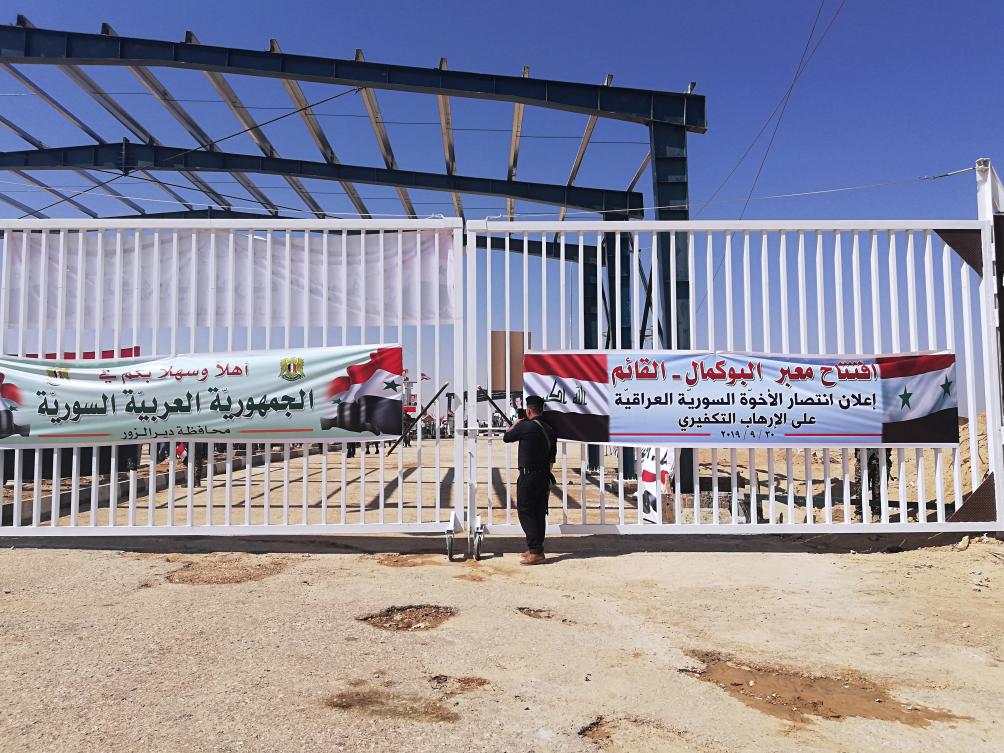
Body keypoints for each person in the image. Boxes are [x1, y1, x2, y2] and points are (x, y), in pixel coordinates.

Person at [502, 394, 556, 565]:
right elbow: (551, 459)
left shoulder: (525, 427)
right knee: (539, 512)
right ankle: (536, 548)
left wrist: (518, 421)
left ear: (528, 410)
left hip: (528, 475)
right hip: (543, 475)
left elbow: (507, 436)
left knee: (525, 511)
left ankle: (536, 551)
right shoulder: (549, 429)